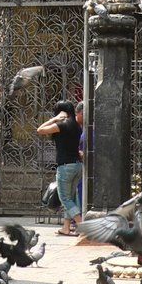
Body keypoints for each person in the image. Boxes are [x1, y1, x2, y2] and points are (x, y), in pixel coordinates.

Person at [37, 101, 82, 235]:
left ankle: (82, 226)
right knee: (72, 197)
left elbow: (40, 130)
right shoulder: (76, 126)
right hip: (77, 165)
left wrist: (54, 119)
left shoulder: (62, 125)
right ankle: (66, 227)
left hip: (65, 166)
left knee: (65, 198)